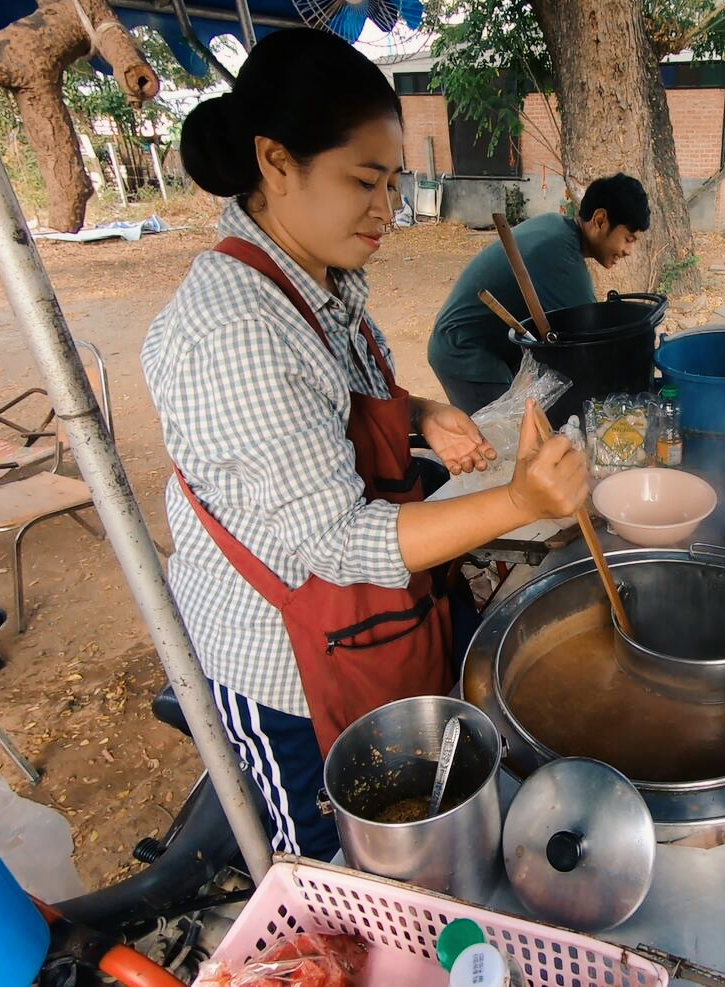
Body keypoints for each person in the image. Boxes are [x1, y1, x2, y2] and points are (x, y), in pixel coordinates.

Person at [141, 28, 589, 860]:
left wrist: (418, 410)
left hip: (359, 624)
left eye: (394, 181)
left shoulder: (316, 276)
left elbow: (326, 398)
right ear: (277, 163)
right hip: (283, 664)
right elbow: (339, 542)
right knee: (324, 856)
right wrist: (521, 503)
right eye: (364, 181)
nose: (387, 210)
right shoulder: (241, 327)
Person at [427, 174, 651, 414]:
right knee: (500, 441)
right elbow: (592, 342)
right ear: (600, 220)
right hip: (465, 351)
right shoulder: (558, 255)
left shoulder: (557, 227)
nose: (629, 251)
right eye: (628, 239)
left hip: (483, 345)